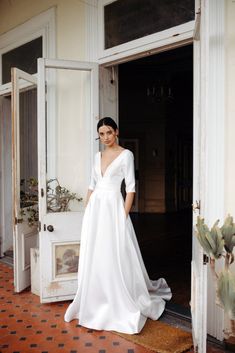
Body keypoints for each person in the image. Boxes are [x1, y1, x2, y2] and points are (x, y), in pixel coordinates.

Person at [64, 117, 171, 334]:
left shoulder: (126, 155)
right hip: (96, 209)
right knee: (95, 252)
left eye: (109, 133)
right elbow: (92, 184)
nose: (105, 138)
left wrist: (123, 216)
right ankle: (96, 297)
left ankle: (116, 297)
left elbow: (130, 188)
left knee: (114, 252)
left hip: (114, 207)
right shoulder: (97, 156)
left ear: (117, 132)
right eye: (101, 134)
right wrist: (87, 210)